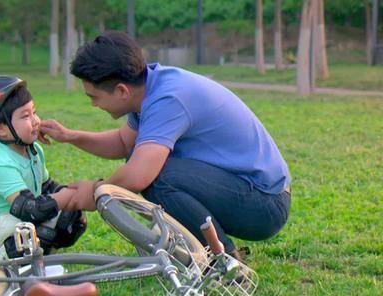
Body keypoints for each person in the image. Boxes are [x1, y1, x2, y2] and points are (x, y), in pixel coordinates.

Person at [39, 31, 291, 260]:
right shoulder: (150, 87)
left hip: (264, 204)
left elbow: (139, 176)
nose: (94, 105)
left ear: (121, 91)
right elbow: (123, 143)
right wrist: (70, 136)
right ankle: (205, 250)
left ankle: (221, 258)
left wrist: (95, 191)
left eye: (94, 97)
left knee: (156, 176)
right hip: (247, 191)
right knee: (145, 166)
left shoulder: (168, 99)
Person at [0, 76, 86, 260]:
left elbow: (46, 187)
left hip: (10, 221)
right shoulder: (0, 163)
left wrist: (76, 195)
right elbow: (29, 209)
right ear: (1, 128)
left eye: (34, 112)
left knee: (69, 215)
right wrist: (68, 196)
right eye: (25, 116)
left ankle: (39, 259)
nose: (36, 120)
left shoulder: (33, 150)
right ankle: (4, 268)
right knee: (21, 230)